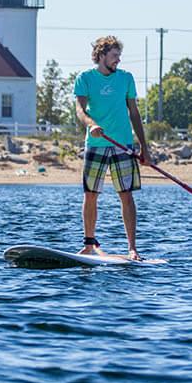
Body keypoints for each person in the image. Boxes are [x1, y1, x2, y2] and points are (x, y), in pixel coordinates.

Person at [74, 36, 151, 260]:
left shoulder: (126, 79)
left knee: (126, 195)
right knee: (90, 195)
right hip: (96, 144)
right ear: (101, 55)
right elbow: (80, 110)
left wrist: (144, 148)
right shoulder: (85, 78)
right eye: (114, 55)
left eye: (119, 55)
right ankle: (89, 244)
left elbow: (134, 113)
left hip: (123, 145)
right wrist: (92, 125)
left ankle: (133, 248)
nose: (118, 60)